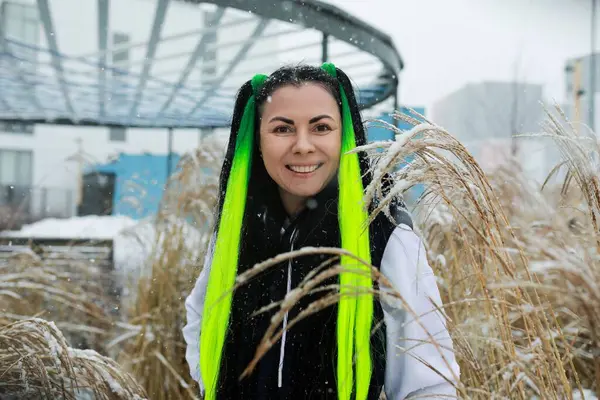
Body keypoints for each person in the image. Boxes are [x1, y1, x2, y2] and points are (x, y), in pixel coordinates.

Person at [183, 63, 460, 400]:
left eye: (321, 127)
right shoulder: (238, 230)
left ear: (343, 135)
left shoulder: (385, 235)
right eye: (282, 129)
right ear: (258, 141)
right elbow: (200, 315)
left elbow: (429, 384)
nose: (302, 145)